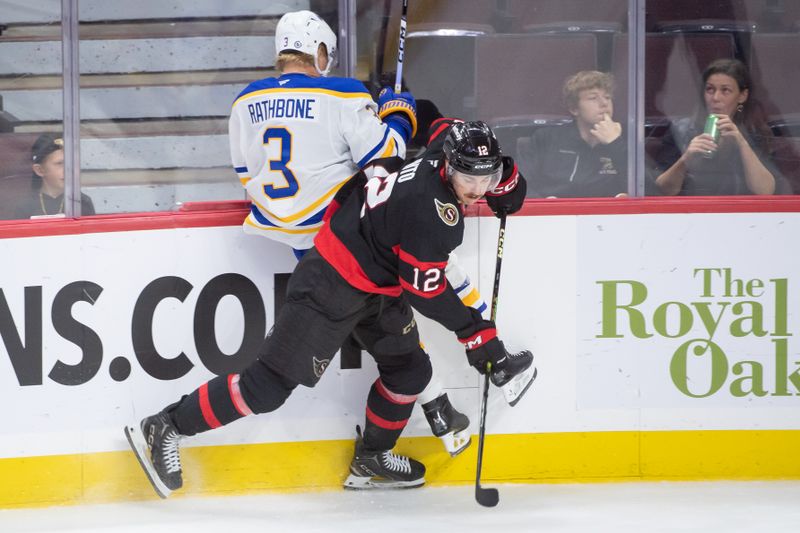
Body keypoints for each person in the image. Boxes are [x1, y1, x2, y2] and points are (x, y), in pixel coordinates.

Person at [124, 120, 534, 497]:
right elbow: (425, 291)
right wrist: (476, 333)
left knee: (410, 372)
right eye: (469, 178)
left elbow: (445, 126)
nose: (478, 190)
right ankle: (167, 425)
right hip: (332, 284)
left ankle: (371, 459)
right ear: (448, 166)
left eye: (488, 177)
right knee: (264, 389)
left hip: (377, 284)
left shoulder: (437, 156)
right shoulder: (433, 214)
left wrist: (508, 180)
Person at [227, 10, 482, 456]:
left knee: (391, 325)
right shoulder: (342, 92)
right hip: (344, 238)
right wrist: (398, 115)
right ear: (318, 50)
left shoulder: (244, 102)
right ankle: (444, 398)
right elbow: (385, 161)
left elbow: (246, 172)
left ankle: (436, 408)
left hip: (297, 245)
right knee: (414, 293)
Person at [650, 58, 783, 196]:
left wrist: (742, 142)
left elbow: (765, 191)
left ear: (742, 96)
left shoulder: (754, 133)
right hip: (690, 213)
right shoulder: (680, 131)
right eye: (710, 89)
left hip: (739, 213)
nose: (715, 98)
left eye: (725, 90)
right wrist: (685, 159)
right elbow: (662, 191)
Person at [518, 71, 628, 198]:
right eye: (593, 98)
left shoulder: (624, 140)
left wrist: (615, 143)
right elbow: (519, 185)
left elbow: (647, 185)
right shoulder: (546, 138)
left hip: (610, 215)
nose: (604, 103)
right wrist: (544, 204)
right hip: (554, 214)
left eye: (607, 97)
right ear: (574, 109)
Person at [13, 133, 95, 218]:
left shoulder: (81, 202)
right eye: (59, 163)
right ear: (39, 170)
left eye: (71, 162)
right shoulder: (26, 206)